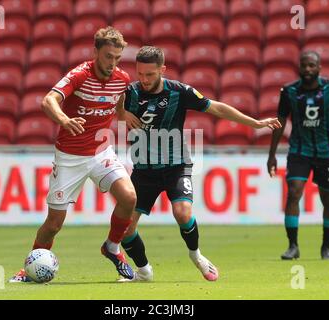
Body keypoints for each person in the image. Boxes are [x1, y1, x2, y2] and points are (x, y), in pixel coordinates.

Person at [116, 46, 281, 281]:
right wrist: (121, 114)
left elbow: (217, 108)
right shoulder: (129, 93)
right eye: (140, 74)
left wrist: (254, 123)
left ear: (162, 70)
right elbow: (107, 107)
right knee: (124, 229)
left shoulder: (179, 91)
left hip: (176, 165)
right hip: (144, 169)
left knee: (182, 212)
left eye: (150, 74)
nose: (144, 79)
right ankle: (143, 272)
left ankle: (196, 256)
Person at [10, 27, 137, 282]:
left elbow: (118, 103)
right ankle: (30, 268)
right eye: (108, 56)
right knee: (54, 223)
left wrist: (126, 116)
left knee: (129, 197)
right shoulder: (79, 75)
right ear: (95, 52)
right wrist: (65, 120)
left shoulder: (122, 79)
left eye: (116, 58)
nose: (112, 63)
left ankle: (112, 247)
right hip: (69, 157)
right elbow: (48, 101)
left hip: (101, 152)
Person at [267, 51, 329, 260]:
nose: (307, 70)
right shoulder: (289, 91)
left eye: (312, 66)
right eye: (304, 66)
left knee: (328, 199)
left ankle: (326, 247)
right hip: (299, 150)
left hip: (327, 151)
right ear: (299, 67)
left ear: (319, 68)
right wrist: (272, 154)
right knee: (293, 193)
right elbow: (280, 122)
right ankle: (293, 246)